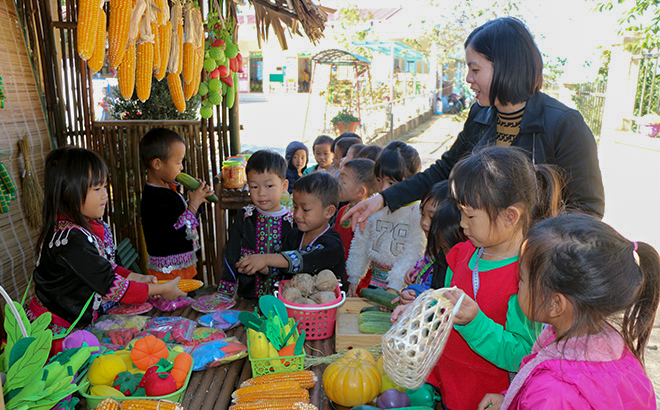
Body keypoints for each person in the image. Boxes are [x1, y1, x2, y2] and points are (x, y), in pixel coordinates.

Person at [343, 17, 604, 232]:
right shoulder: (481, 114)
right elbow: (446, 169)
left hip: (530, 261)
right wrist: (383, 199)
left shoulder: (564, 124)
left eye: (475, 70)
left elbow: (588, 210)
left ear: (505, 67)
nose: (468, 78)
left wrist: (537, 244)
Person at [399, 146, 562, 410]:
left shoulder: (527, 276)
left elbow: (522, 353)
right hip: (449, 388)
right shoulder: (461, 254)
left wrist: (475, 323)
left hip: (488, 400)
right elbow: (447, 309)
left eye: (470, 215)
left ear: (510, 216)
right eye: (460, 211)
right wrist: (421, 310)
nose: (462, 224)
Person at [478, 214, 659, 410]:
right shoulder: (617, 352)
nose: (517, 285)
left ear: (556, 304)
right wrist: (510, 400)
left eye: (522, 278)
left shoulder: (551, 392)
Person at [28, 147, 185, 342]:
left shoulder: (86, 227)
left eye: (104, 187)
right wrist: (161, 289)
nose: (104, 196)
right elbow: (110, 285)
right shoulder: (70, 240)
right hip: (56, 333)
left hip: (77, 323)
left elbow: (104, 267)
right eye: (96, 189)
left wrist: (138, 277)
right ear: (69, 192)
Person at [235, 172, 347, 287]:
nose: (297, 214)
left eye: (306, 209)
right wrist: (258, 265)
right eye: (295, 207)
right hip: (296, 301)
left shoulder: (333, 244)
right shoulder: (293, 236)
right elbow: (279, 267)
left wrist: (265, 258)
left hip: (328, 302)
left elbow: (304, 260)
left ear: (329, 211)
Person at [346, 141, 426, 296]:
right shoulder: (374, 205)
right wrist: (354, 276)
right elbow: (361, 242)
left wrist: (395, 285)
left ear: (411, 182)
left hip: (403, 287)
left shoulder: (416, 212)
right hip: (374, 282)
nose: (383, 189)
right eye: (379, 180)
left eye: (391, 183)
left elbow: (413, 250)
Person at [139, 128, 214, 280]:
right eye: (178, 162)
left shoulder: (167, 188)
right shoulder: (153, 198)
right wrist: (192, 205)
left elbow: (178, 217)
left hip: (182, 268)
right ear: (157, 164)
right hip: (169, 273)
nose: (182, 168)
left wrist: (196, 200)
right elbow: (176, 231)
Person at [218, 150, 295, 298]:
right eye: (254, 187)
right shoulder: (245, 216)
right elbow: (232, 252)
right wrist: (225, 290)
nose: (261, 193)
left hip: (283, 299)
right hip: (247, 295)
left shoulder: (292, 221)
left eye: (269, 186)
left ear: (284, 186)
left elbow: (294, 259)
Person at [394, 181, 465, 306]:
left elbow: (437, 288)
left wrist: (415, 293)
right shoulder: (434, 245)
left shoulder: (449, 250)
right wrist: (417, 270)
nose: (424, 222)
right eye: (422, 214)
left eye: (432, 217)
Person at [335, 159, 378, 265]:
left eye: (343, 182)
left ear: (360, 191)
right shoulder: (342, 211)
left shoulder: (370, 219)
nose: (338, 185)